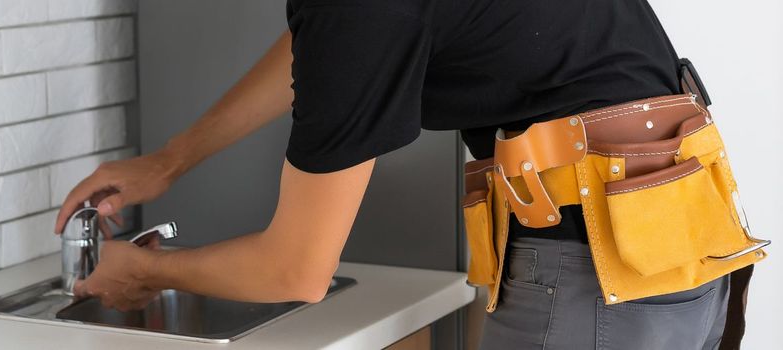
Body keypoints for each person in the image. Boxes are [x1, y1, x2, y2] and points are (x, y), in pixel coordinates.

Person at [54, 0, 765, 348]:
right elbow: (325, 52)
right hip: (676, 256)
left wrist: (147, 275)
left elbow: (294, 269)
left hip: (597, 284)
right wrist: (169, 161)